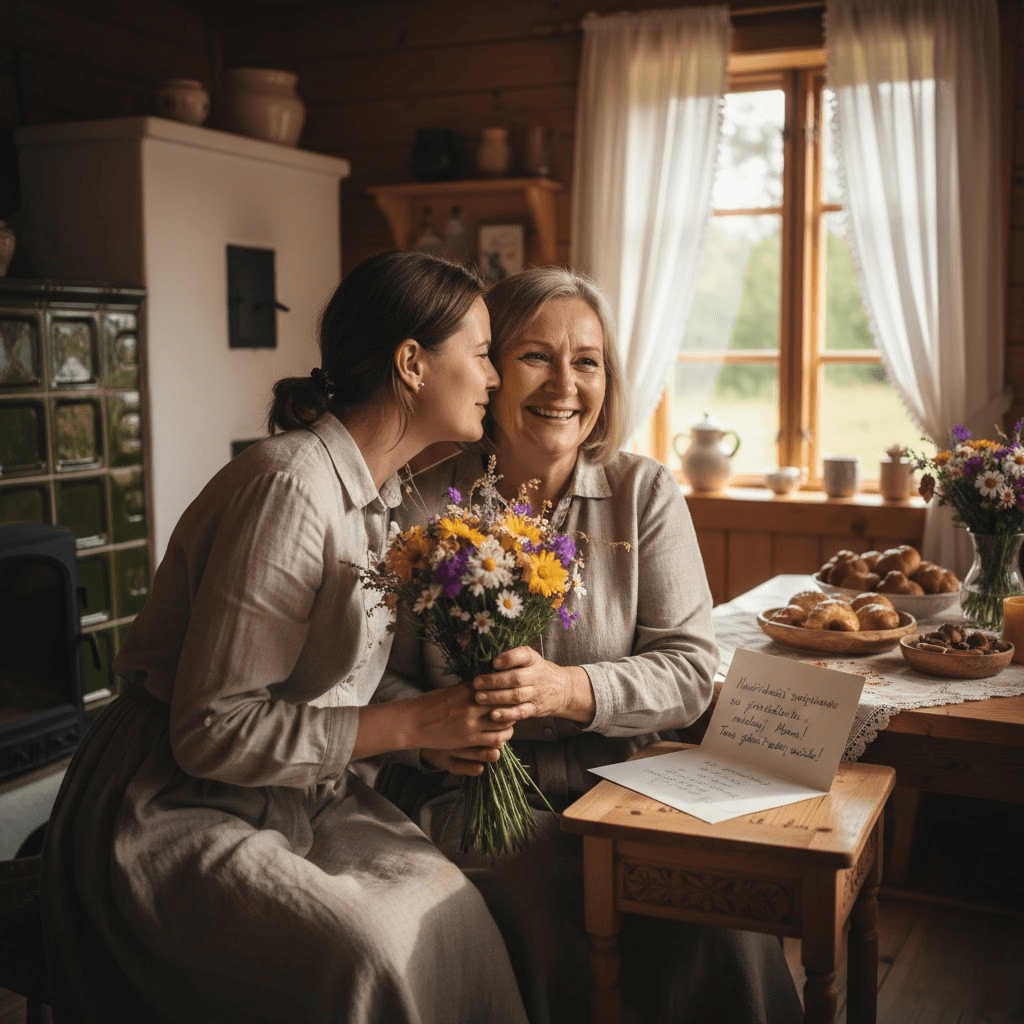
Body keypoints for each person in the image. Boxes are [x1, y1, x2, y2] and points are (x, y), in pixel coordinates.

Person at [40, 251, 533, 1024]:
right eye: (480, 353)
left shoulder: (383, 498)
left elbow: (324, 691)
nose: (496, 377)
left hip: (294, 790)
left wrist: (427, 740)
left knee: (453, 914)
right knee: (370, 950)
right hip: (170, 799)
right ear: (412, 362)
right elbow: (210, 729)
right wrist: (411, 724)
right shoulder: (290, 487)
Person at [378, 266, 805, 1024]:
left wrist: (569, 690)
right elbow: (373, 680)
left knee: (723, 919)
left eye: (587, 361)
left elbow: (689, 670)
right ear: (489, 370)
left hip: (633, 785)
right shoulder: (418, 502)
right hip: (477, 799)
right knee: (551, 903)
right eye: (535, 356)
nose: (565, 385)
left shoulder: (645, 493)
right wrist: (433, 738)